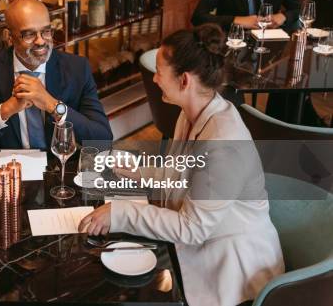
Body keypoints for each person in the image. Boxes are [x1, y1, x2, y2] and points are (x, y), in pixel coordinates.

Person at [78, 24, 284, 306]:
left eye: (159, 72)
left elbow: (191, 229)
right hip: (198, 245)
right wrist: (140, 170)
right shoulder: (191, 113)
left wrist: (120, 212)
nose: (155, 80)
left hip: (233, 270)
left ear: (184, 81)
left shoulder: (224, 143)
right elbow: (185, 173)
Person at [0, 0, 113, 149]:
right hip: (8, 171)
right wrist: (6, 110)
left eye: (46, 31)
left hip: (60, 167)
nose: (40, 41)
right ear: (10, 37)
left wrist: (52, 104)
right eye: (29, 34)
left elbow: (103, 140)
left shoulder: (77, 69)